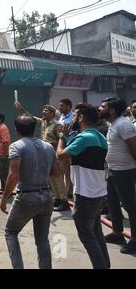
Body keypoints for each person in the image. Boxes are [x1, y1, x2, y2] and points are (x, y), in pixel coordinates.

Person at [0, 115, 61, 269]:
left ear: (16, 130)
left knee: (10, 232)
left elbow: (14, 176)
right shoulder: (48, 147)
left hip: (27, 197)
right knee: (42, 241)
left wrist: (3, 199)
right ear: (34, 128)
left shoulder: (17, 146)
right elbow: (56, 173)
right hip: (46, 197)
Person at [57, 103, 110, 269]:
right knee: (96, 232)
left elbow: (61, 155)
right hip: (98, 192)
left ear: (81, 118)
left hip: (86, 193)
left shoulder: (85, 137)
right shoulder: (99, 136)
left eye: (74, 116)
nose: (72, 118)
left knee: (87, 235)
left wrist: (61, 137)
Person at [15, 102, 69, 211]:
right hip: (46, 155)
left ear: (52, 113)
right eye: (43, 110)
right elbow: (30, 117)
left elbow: (62, 139)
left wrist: (49, 144)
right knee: (50, 177)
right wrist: (21, 108)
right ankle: (57, 198)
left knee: (58, 178)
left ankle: (64, 201)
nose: (43, 112)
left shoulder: (57, 125)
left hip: (55, 155)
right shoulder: (43, 122)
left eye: (46, 110)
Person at [99, 97, 136, 254]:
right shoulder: (113, 123)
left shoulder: (123, 124)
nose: (100, 109)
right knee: (113, 202)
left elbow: (135, 148)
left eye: (103, 107)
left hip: (125, 171)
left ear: (112, 110)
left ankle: (134, 240)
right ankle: (117, 233)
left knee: (130, 206)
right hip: (113, 170)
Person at [58, 99, 75, 198]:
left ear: (69, 106)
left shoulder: (73, 117)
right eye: (59, 106)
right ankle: (68, 191)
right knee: (66, 172)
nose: (60, 107)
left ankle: (72, 191)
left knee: (73, 171)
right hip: (63, 147)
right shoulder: (62, 116)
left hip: (72, 147)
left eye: (62, 106)